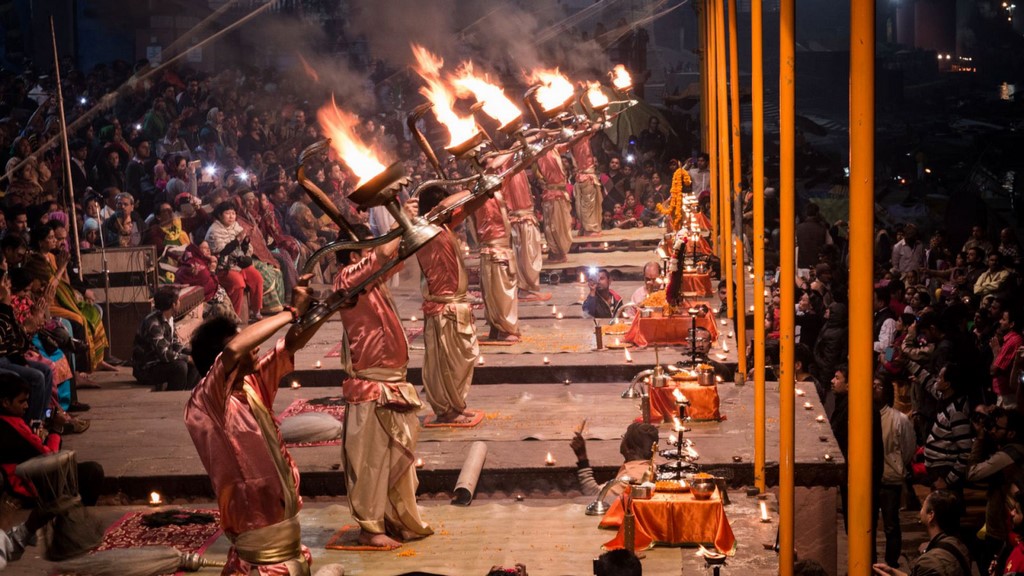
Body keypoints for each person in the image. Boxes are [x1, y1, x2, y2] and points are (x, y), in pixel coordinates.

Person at [184, 273, 327, 576]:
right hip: (260, 550)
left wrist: (328, 308)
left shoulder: (251, 384)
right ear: (218, 361)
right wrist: (290, 312)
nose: (254, 346)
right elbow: (235, 350)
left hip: (287, 541)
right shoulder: (207, 401)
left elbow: (289, 345)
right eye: (244, 340)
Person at [333, 210, 434, 548]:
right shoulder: (347, 279)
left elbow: (394, 254)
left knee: (393, 461)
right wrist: (394, 223)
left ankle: (393, 517)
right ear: (354, 256)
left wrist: (410, 218)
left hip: (392, 383)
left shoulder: (370, 278)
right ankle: (370, 527)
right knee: (372, 462)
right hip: (373, 388)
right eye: (367, 249)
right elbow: (382, 255)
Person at [0, 373, 104, 565]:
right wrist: (56, 430)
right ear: (5, 402)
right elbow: (50, 458)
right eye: (21, 402)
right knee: (92, 473)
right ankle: (72, 528)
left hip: (25, 476)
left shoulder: (9, 423)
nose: (25, 406)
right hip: (28, 483)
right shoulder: (12, 427)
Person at [415, 186, 480, 424]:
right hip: (442, 307)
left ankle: (456, 404)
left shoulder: (440, 226)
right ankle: (447, 409)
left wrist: (483, 190)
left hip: (455, 305)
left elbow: (466, 208)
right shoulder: (423, 228)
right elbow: (446, 206)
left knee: (460, 361)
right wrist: (471, 187)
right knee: (444, 364)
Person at [967, 408, 1024, 571]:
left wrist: (979, 438)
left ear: (1011, 433)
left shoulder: (1010, 454)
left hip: (1003, 530)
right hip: (1002, 527)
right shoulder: (1006, 449)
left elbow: (972, 473)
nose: (991, 430)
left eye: (997, 428)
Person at [872, 491, 970, 576]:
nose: (920, 509)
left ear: (931, 515)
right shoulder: (959, 545)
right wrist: (893, 572)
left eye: (923, 505)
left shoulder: (929, 562)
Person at [878, 375, 917, 570]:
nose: (874, 389)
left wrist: (898, 465)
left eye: (878, 386)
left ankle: (891, 562)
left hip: (889, 477)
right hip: (870, 477)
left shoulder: (898, 419)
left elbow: (908, 448)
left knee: (891, 524)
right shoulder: (862, 414)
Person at [473, 187, 520, 342]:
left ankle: (497, 326)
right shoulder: (485, 196)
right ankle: (503, 328)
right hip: (496, 252)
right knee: (501, 292)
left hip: (496, 250)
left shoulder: (481, 194)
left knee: (495, 291)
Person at [571, 421, 660, 503]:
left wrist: (582, 458)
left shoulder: (632, 476)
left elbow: (595, 496)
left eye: (624, 437)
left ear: (630, 450)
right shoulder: (646, 466)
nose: (622, 440)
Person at [206, 201, 265, 321]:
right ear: (219, 215)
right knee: (238, 284)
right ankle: (233, 317)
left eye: (233, 213)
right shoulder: (214, 231)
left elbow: (245, 250)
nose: (231, 216)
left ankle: (256, 310)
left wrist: (245, 242)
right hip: (223, 267)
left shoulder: (237, 227)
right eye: (227, 213)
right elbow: (222, 251)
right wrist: (238, 240)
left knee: (257, 278)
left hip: (238, 265)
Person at [131, 286, 198, 391]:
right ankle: (174, 395)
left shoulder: (169, 319)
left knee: (197, 360)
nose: (180, 302)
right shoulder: (153, 323)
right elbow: (164, 354)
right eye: (178, 300)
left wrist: (193, 353)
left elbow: (175, 344)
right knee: (180, 366)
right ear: (173, 305)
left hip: (159, 364)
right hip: (146, 369)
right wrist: (187, 358)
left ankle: (187, 392)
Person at [501, 158, 545, 299]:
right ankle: (524, 289)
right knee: (524, 256)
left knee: (528, 254)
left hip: (525, 218)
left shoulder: (516, 169)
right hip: (520, 221)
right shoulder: (508, 170)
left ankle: (526, 288)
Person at [534, 148, 573, 264]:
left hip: (558, 196)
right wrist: (540, 179)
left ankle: (559, 252)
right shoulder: (539, 151)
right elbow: (535, 168)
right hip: (551, 196)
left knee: (561, 225)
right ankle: (556, 251)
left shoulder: (555, 149)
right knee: (552, 226)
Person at [567, 122, 603, 236]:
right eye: (585, 123)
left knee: (583, 203)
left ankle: (585, 227)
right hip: (586, 175)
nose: (588, 124)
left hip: (582, 175)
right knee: (588, 204)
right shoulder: (581, 137)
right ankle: (590, 229)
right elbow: (596, 127)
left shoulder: (573, 138)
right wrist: (600, 117)